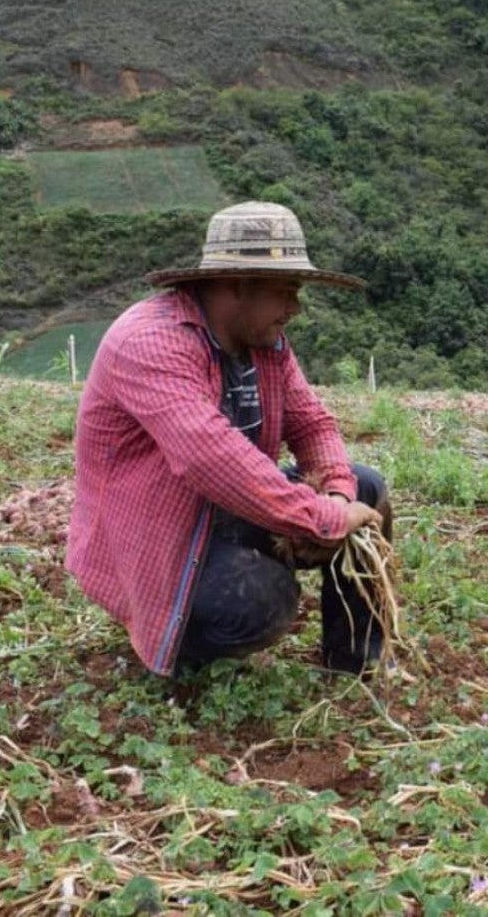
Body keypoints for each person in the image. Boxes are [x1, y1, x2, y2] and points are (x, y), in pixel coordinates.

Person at [65, 201, 391, 677]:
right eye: (286, 291)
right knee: (261, 601)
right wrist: (321, 519)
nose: (295, 308)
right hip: (162, 533)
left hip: (228, 508)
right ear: (238, 285)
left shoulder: (264, 341)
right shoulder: (152, 344)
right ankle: (181, 652)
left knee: (368, 489)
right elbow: (211, 460)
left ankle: (355, 659)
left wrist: (339, 497)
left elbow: (312, 424)